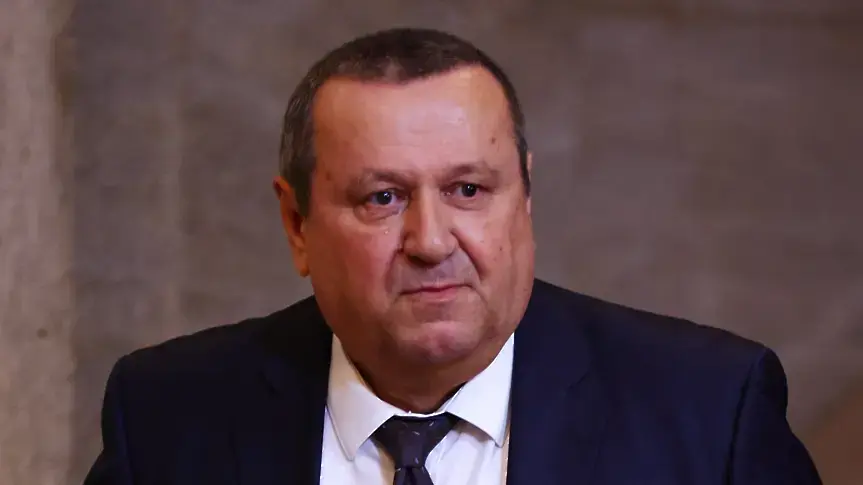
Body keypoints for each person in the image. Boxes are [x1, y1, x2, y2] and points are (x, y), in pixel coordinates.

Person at [83, 27, 821, 485]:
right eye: (382, 198)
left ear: (524, 199)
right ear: (296, 223)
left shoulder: (708, 413)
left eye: (468, 189)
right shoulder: (167, 419)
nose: (431, 241)